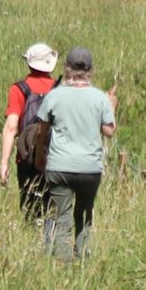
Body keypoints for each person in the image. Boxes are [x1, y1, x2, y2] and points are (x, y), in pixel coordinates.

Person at [38, 45, 116, 262]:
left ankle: (63, 265)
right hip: (90, 167)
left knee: (62, 218)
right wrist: (112, 106)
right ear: (90, 70)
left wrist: (39, 156)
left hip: (59, 166)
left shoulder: (54, 96)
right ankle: (82, 260)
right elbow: (109, 131)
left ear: (67, 68)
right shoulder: (100, 98)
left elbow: (42, 131)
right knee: (84, 215)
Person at [0, 42, 59, 219]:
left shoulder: (19, 89)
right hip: (56, 156)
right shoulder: (60, 89)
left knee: (30, 212)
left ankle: (32, 232)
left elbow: (11, 126)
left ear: (29, 63)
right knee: (54, 212)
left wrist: (4, 162)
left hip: (26, 157)